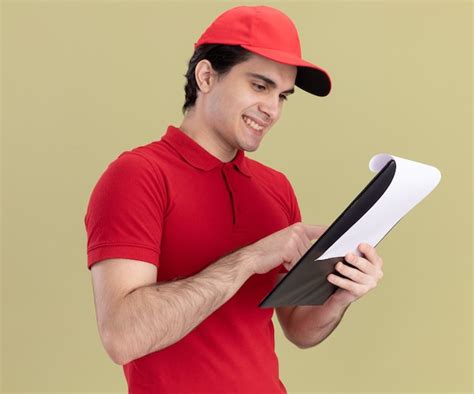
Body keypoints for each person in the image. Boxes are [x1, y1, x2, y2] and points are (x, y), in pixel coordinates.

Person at [84, 5, 384, 394]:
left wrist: (341, 293)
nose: (272, 110)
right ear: (206, 76)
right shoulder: (138, 175)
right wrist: (247, 259)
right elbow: (122, 337)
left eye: (283, 96)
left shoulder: (275, 188)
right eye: (259, 86)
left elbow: (298, 327)